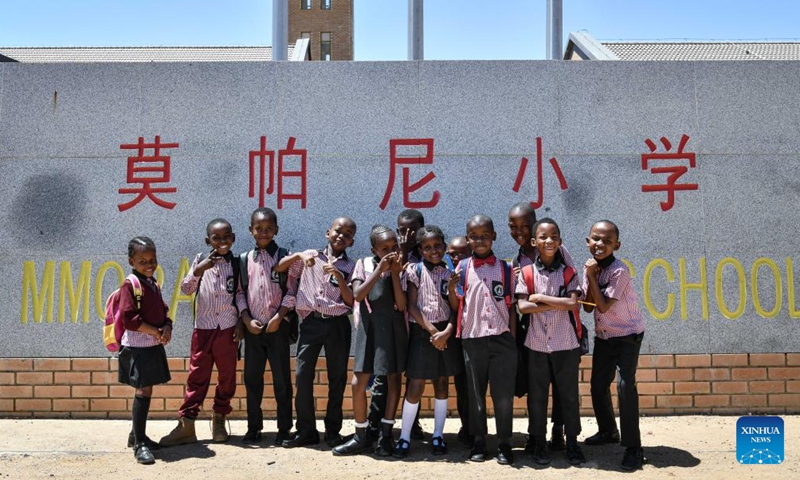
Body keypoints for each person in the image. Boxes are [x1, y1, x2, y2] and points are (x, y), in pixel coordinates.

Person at [160, 218, 244, 446]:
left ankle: (219, 419)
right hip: (203, 329)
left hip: (227, 329)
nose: (222, 241)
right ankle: (187, 424)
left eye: (227, 236)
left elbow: (240, 295)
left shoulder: (237, 264)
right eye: (217, 238)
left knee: (227, 377)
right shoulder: (199, 260)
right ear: (209, 240)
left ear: (233, 238)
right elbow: (186, 289)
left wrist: (240, 323)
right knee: (197, 377)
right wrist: (198, 270)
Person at [277, 217, 357, 449]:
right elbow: (280, 268)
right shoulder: (309, 256)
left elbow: (352, 301)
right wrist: (298, 255)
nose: (342, 236)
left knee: (337, 377)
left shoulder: (351, 266)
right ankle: (306, 430)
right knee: (303, 376)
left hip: (337, 324)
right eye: (338, 231)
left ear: (351, 241)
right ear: (327, 233)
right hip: (311, 323)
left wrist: (340, 278)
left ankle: (333, 431)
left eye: (348, 234)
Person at [516, 218, 585, 466]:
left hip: (565, 342)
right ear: (534, 242)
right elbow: (523, 307)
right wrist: (555, 301)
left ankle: (573, 442)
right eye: (543, 237)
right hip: (536, 344)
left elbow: (572, 303)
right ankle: (540, 442)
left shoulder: (568, 272)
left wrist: (541, 298)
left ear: (560, 241)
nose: (549, 241)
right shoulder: (526, 272)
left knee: (568, 395)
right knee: (537, 396)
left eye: (554, 236)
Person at [333, 225, 407, 457]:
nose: (390, 251)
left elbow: (402, 305)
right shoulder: (363, 265)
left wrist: (394, 272)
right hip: (369, 328)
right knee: (358, 382)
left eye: (394, 246)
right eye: (384, 248)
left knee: (393, 379)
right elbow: (357, 295)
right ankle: (361, 435)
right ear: (374, 249)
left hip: (393, 328)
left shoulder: (401, 268)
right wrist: (379, 271)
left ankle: (386, 434)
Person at [582, 220, 646, 471]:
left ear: (616, 245)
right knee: (598, 384)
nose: (600, 244)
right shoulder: (590, 268)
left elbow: (604, 305)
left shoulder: (620, 270)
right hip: (605, 336)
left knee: (625, 386)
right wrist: (589, 276)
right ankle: (608, 431)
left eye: (607, 241)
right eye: (595, 239)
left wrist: (591, 276)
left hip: (628, 335)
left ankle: (634, 448)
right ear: (588, 240)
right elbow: (588, 306)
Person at [394, 226, 463, 459]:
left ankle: (438, 436)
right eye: (427, 247)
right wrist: (433, 331)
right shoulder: (415, 270)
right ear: (420, 250)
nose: (433, 251)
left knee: (442, 383)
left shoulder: (449, 273)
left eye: (437, 246)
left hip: (445, 333)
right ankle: (404, 438)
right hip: (424, 333)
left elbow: (455, 307)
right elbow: (412, 306)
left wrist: (444, 332)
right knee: (415, 385)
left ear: (444, 247)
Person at [455, 214, 517, 466]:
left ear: (494, 236)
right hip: (473, 339)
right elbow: (456, 304)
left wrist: (511, 338)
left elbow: (512, 306)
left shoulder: (506, 268)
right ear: (468, 239)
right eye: (474, 236)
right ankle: (479, 440)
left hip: (502, 341)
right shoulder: (460, 269)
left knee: (503, 396)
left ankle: (504, 442)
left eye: (485, 235)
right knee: (475, 394)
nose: (480, 240)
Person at [508, 202, 566, 451]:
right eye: (514, 227)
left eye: (525, 226)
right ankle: (536, 434)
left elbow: (571, 287)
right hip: (531, 330)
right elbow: (518, 299)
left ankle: (558, 431)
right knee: (536, 385)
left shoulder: (558, 250)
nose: (520, 231)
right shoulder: (518, 258)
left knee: (561, 385)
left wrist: (538, 299)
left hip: (560, 329)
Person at [367, 209, 427, 442]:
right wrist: (399, 252)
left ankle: (411, 424)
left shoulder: (427, 254)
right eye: (401, 230)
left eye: (411, 231)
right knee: (385, 376)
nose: (406, 235)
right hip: (394, 326)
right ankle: (375, 422)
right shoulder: (391, 255)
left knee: (414, 376)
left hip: (419, 325)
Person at [238, 208, 294, 445]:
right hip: (253, 330)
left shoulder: (284, 257)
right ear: (251, 230)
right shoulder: (243, 260)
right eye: (258, 228)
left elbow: (292, 292)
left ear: (276, 230)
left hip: (277, 329)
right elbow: (239, 293)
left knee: (281, 380)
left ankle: (284, 428)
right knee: (252, 380)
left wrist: (279, 318)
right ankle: (254, 428)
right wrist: (246, 319)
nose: (263, 232)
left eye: (268, 228)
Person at [117, 236, 172, 464]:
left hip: (151, 345)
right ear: (131, 261)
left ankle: (136, 435)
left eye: (153, 260)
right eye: (143, 261)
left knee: (146, 390)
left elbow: (163, 309)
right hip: (138, 348)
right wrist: (155, 332)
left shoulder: (152, 282)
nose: (149, 265)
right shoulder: (131, 285)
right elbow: (129, 319)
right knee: (143, 391)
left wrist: (167, 326)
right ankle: (139, 444)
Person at [446, 235, 472, 446]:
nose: (454, 257)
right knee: (462, 386)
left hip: (479, 338)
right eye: (451, 254)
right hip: (458, 338)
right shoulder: (448, 274)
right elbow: (453, 309)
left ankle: (478, 429)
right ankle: (467, 427)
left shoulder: (479, 272)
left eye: (460, 254)